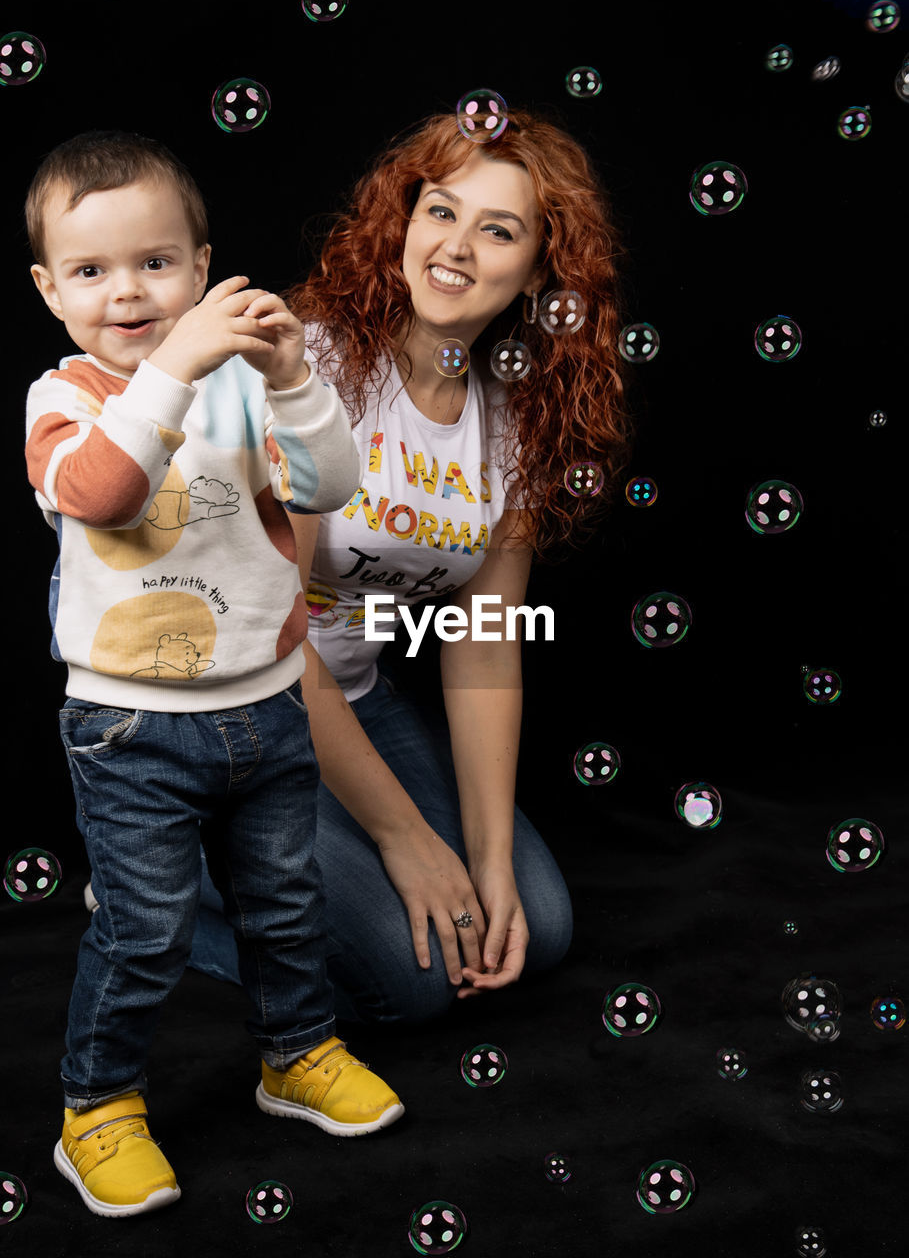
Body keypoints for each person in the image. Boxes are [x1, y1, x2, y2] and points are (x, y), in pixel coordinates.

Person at [23, 130, 404, 1220]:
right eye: (91, 271)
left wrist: (290, 377)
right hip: (132, 727)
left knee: (287, 904)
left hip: (269, 705)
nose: (127, 292)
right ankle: (96, 1107)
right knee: (143, 931)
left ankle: (297, 1053)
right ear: (50, 290)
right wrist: (182, 363)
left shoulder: (245, 381)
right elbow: (102, 494)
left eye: (155, 263)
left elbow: (328, 483)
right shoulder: (61, 399)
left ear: (201, 267)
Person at [190, 109, 631, 1023]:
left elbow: (482, 641)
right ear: (404, 220)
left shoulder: (513, 417)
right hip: (227, 710)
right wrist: (405, 841)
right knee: (414, 981)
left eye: (498, 229)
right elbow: (271, 639)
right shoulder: (306, 369)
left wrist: (489, 856)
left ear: (543, 271)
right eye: (440, 211)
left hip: (348, 698)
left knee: (535, 927)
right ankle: (157, 886)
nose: (456, 247)